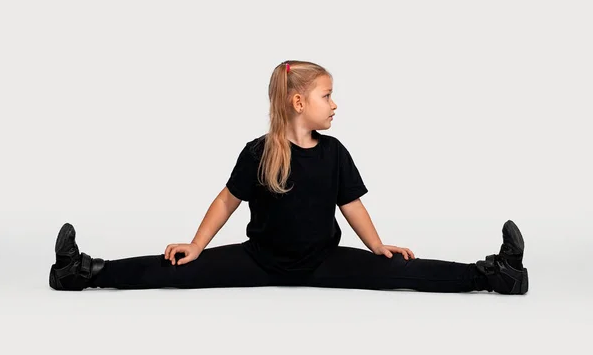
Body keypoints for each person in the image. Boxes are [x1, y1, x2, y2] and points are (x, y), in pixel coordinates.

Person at [48, 60, 529, 294]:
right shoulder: (259, 153)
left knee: (404, 271)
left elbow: (352, 205)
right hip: (260, 260)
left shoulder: (334, 152)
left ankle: (495, 275)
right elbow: (225, 202)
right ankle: (83, 272)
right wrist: (196, 246)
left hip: (322, 261)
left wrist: (377, 245)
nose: (335, 103)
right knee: (171, 270)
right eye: (327, 95)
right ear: (299, 102)